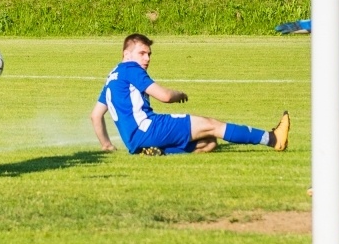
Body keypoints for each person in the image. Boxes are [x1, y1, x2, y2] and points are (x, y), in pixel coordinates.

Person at [91, 33, 290, 155]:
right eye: (142, 53)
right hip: (149, 128)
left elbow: (96, 115)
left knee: (209, 143)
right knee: (212, 124)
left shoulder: (112, 76)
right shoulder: (131, 69)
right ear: (126, 54)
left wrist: (107, 145)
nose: (147, 58)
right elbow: (165, 96)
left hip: (134, 141)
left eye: (149, 54)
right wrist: (179, 94)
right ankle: (273, 139)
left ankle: (158, 152)